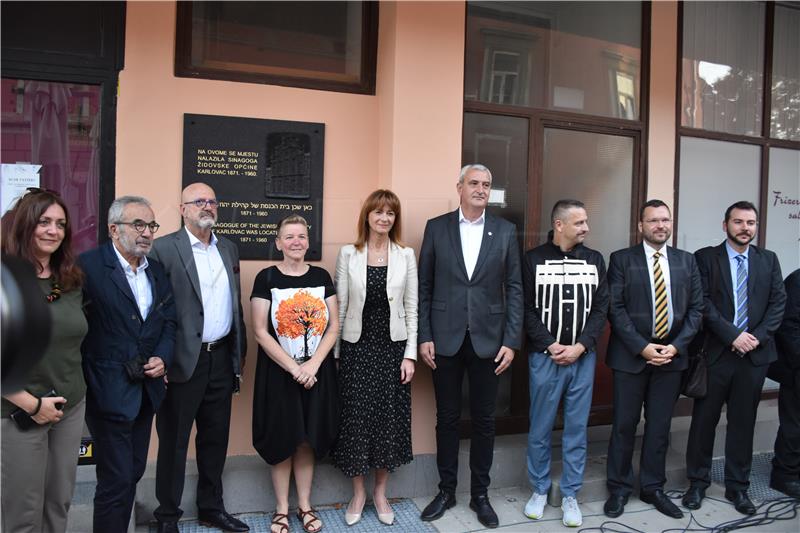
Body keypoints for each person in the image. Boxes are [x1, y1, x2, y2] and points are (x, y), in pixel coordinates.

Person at [418, 164, 524, 529]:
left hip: (489, 341)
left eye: (487, 185)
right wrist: (424, 335)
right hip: (444, 339)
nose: (481, 189)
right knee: (446, 419)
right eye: (474, 183)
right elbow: (425, 286)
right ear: (460, 187)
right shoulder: (437, 227)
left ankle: (480, 494)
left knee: (484, 422)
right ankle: (446, 491)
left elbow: (514, 288)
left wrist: (512, 340)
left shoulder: (505, 230)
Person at [150, 183, 249, 533]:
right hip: (180, 363)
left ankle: (211, 507)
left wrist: (238, 356)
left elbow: (234, 306)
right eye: (199, 202)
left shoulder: (229, 249)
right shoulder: (163, 249)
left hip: (221, 359)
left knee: (215, 439)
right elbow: (153, 310)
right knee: (174, 442)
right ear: (182, 209)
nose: (207, 206)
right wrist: (157, 358)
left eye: (212, 201)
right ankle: (166, 516)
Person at [79, 196, 176, 532]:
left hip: (146, 391)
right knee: (116, 479)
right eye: (139, 225)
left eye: (151, 225)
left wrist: (163, 357)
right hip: (107, 390)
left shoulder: (157, 271)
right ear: (113, 229)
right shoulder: (87, 267)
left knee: (132, 472)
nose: (147, 232)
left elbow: (168, 322)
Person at [683, 201, 786, 515]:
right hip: (716, 355)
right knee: (703, 422)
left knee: (743, 424)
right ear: (725, 224)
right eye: (739, 222)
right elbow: (702, 304)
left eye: (751, 223)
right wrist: (733, 335)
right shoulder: (705, 258)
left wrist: (755, 338)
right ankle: (697, 483)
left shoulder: (768, 260)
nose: (746, 228)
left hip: (753, 357)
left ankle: (737, 488)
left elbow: (777, 303)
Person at [604, 199, 703, 520]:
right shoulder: (621, 260)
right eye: (653, 220)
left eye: (665, 220)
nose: (660, 225)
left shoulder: (687, 262)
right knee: (623, 426)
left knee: (659, 427)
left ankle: (652, 488)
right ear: (641, 226)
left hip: (672, 359)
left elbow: (696, 310)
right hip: (632, 357)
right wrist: (642, 347)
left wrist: (676, 346)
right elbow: (614, 308)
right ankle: (618, 489)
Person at [1, 189, 87, 533]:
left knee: (58, 503)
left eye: (61, 224)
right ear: (25, 225)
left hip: (69, 406)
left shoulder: (69, 279)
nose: (53, 230)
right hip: (19, 410)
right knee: (23, 512)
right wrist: (32, 404)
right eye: (44, 222)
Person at [332, 190, 418, 526]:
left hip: (392, 350)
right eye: (378, 212)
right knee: (355, 420)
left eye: (391, 214)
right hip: (356, 349)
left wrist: (409, 355)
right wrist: (337, 355)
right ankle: (358, 493)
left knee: (387, 422)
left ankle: (381, 492)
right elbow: (338, 307)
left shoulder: (406, 255)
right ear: (367, 215)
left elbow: (411, 307)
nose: (384, 218)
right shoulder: (348, 254)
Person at [522, 199, 608, 527]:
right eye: (579, 223)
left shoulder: (596, 260)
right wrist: (551, 345)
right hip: (544, 359)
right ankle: (540, 490)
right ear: (560, 225)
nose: (586, 228)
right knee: (540, 428)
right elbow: (526, 307)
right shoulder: (533, 260)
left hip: (583, 360)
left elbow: (601, 308)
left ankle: (571, 494)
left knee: (576, 429)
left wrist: (581, 346)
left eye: (586, 222)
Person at [250, 215, 340, 533]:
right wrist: (294, 369)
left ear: (308, 241)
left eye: (301, 236)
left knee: (305, 440)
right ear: (278, 243)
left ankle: (304, 505)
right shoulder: (266, 278)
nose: (296, 242)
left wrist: (312, 365)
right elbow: (260, 331)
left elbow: (334, 326)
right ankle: (281, 509)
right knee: (282, 437)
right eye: (288, 237)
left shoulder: (321, 275)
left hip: (316, 371)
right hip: (279, 374)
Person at [768, 267, 800, 500]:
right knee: (794, 425)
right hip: (796, 367)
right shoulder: (798, 280)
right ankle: (784, 475)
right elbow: (787, 326)